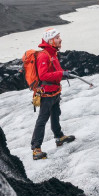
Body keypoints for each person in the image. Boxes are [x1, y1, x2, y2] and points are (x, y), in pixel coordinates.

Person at [30, 28, 76, 160]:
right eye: (57, 38)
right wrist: (62, 74)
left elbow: (55, 71)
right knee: (42, 119)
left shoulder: (52, 54)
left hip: (54, 92)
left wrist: (63, 72)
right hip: (46, 94)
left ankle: (59, 137)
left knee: (55, 115)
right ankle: (36, 149)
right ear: (50, 40)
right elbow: (43, 75)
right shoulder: (44, 56)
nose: (60, 39)